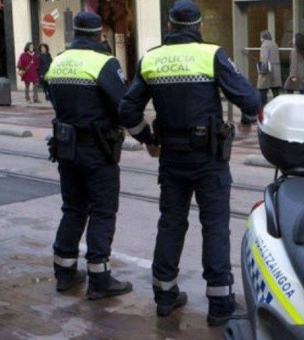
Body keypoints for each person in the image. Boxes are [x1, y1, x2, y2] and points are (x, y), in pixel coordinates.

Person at [118, 1, 261, 326]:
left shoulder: (151, 58)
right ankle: (219, 305)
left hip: (171, 157)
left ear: (169, 27)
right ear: (199, 28)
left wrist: (148, 140)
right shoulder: (211, 54)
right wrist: (248, 119)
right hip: (208, 158)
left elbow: (127, 111)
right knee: (214, 225)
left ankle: (165, 296)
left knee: (171, 223)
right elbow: (250, 99)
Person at [44, 12, 132, 299]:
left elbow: (52, 97)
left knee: (73, 208)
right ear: (99, 35)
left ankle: (65, 273)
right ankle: (99, 279)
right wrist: (146, 137)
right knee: (102, 211)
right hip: (97, 149)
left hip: (65, 146)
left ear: (75, 33)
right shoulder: (104, 62)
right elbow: (123, 106)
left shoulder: (58, 61)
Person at [257, 30, 281, 104]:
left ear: (263, 37)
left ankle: (263, 108)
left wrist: (262, 72)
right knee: (275, 91)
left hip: (267, 70)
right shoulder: (274, 44)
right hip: (276, 70)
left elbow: (265, 58)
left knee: (262, 89)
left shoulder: (264, 45)